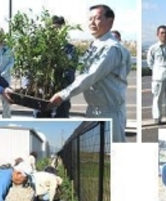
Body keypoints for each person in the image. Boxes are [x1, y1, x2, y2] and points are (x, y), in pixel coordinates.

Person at [49, 5, 132, 142]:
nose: (92, 23)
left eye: (97, 18)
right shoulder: (95, 45)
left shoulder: (111, 48)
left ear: (110, 21)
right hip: (93, 109)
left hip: (109, 111)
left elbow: (89, 76)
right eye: (90, 19)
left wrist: (61, 95)